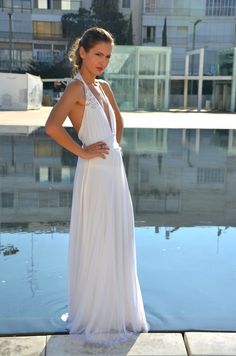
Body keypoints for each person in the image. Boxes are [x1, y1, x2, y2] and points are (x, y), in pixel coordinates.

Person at [45, 27, 149, 345]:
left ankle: (115, 307)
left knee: (117, 237)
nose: (103, 61)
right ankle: (96, 311)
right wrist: (84, 150)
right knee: (99, 237)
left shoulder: (103, 87)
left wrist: (112, 149)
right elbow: (51, 126)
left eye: (107, 55)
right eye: (98, 54)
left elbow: (119, 121)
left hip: (112, 172)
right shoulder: (76, 88)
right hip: (94, 173)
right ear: (83, 53)